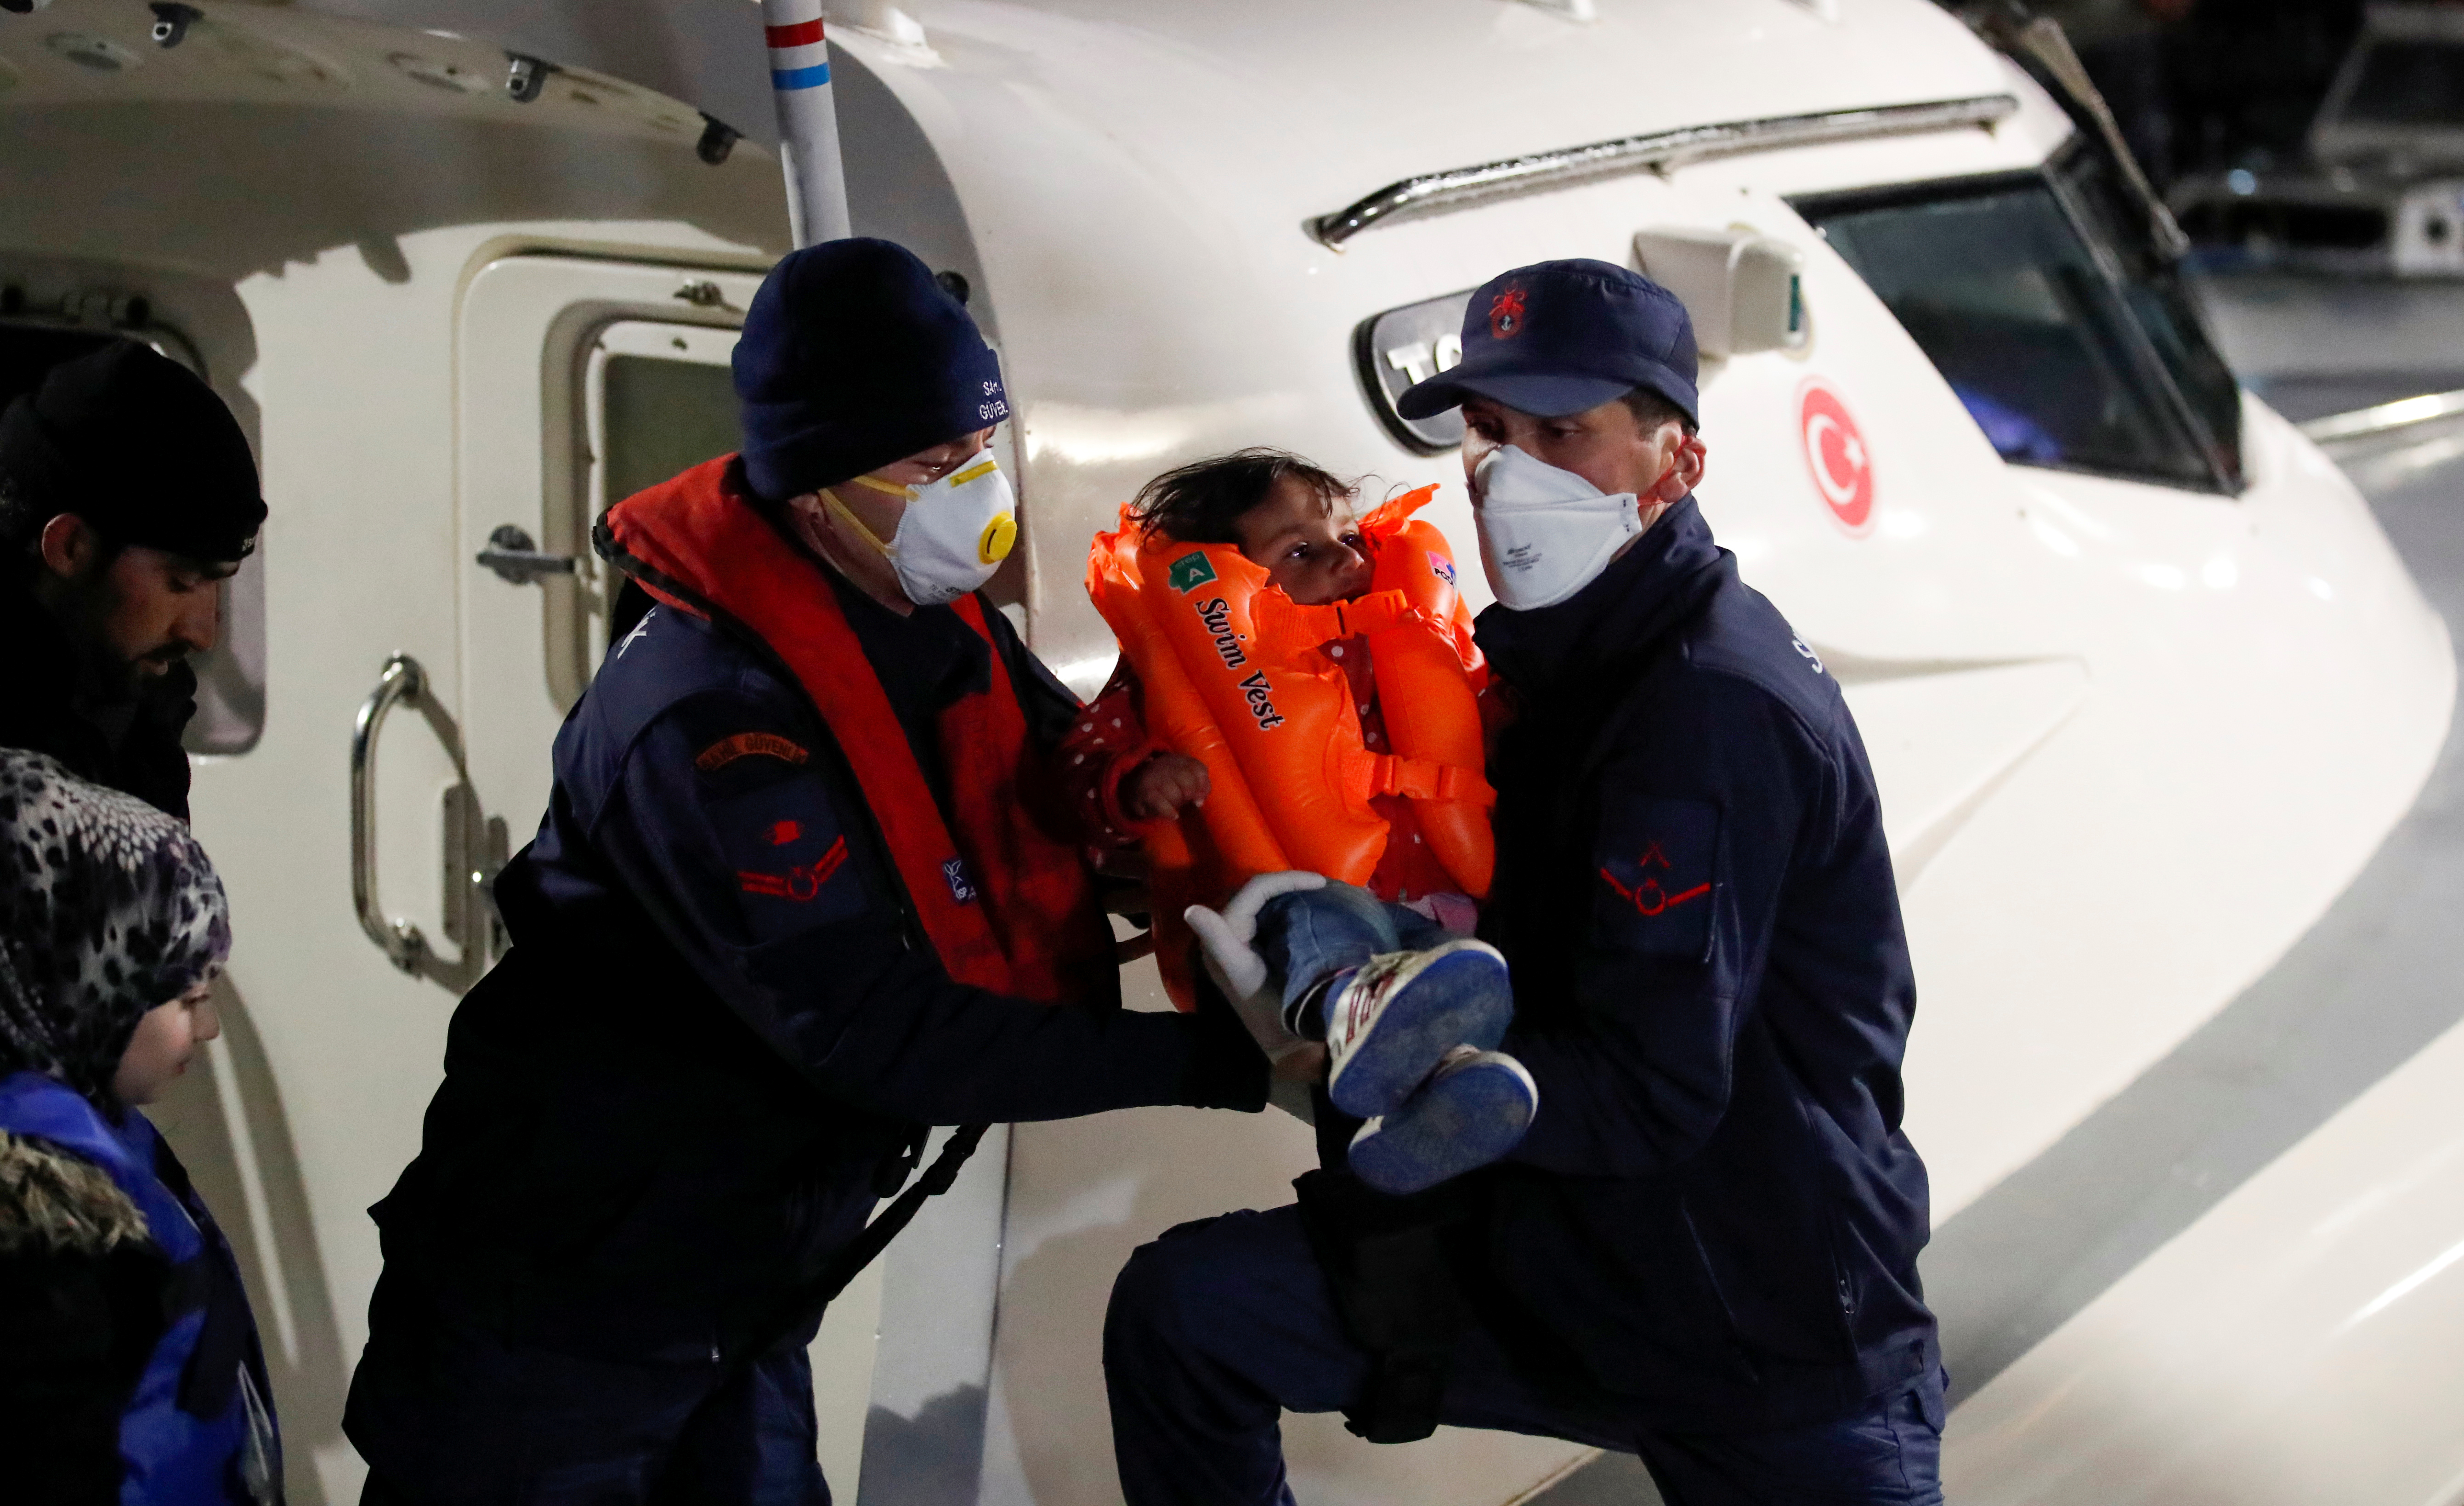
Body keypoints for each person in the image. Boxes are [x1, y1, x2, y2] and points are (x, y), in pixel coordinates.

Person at [342, 239, 1273, 1506]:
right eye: (930, 462)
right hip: (572, 1293)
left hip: (742, 1278)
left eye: (977, 447)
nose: (973, 488)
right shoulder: (711, 721)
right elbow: (871, 1028)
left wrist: (1217, 846)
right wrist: (1225, 1062)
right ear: (812, 485)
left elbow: (1071, 784)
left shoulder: (933, 622)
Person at [1103, 260, 1942, 1504]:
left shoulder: (1705, 711)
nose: (1511, 473)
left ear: (1676, 463)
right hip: (1567, 1253)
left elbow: (1654, 1089)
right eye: (1489, 433)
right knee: (1184, 1312)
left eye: (1563, 432)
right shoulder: (1545, 668)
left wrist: (1395, 1067)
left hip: (1755, 1308)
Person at [1067, 450, 1535, 1195]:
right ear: (1229, 576)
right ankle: (1350, 1002)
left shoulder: (1402, 630)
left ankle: (1421, 1132)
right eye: (1301, 551)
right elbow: (1081, 774)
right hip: (1312, 908)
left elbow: (1484, 721)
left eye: (1348, 536)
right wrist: (1137, 781)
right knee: (1324, 912)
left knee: (1462, 983)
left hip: (1442, 911)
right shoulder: (1184, 664)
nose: (1344, 560)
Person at [0, 748, 281, 1505]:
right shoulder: (41, 1223)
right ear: (88, 981)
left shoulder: (90, 1133)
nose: (210, 1027)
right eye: (187, 997)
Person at [0, 342, 265, 818]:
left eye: (220, 582)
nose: (202, 635)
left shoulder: (137, 722)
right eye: (182, 583)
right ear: (70, 546)